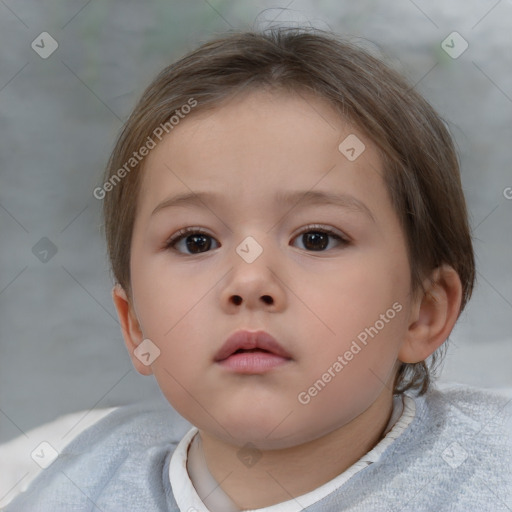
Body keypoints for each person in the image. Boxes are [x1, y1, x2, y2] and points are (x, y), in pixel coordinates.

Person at [5, 27, 511, 511]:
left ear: (421, 311)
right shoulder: (68, 482)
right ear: (135, 323)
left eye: (316, 238)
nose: (249, 282)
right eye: (195, 241)